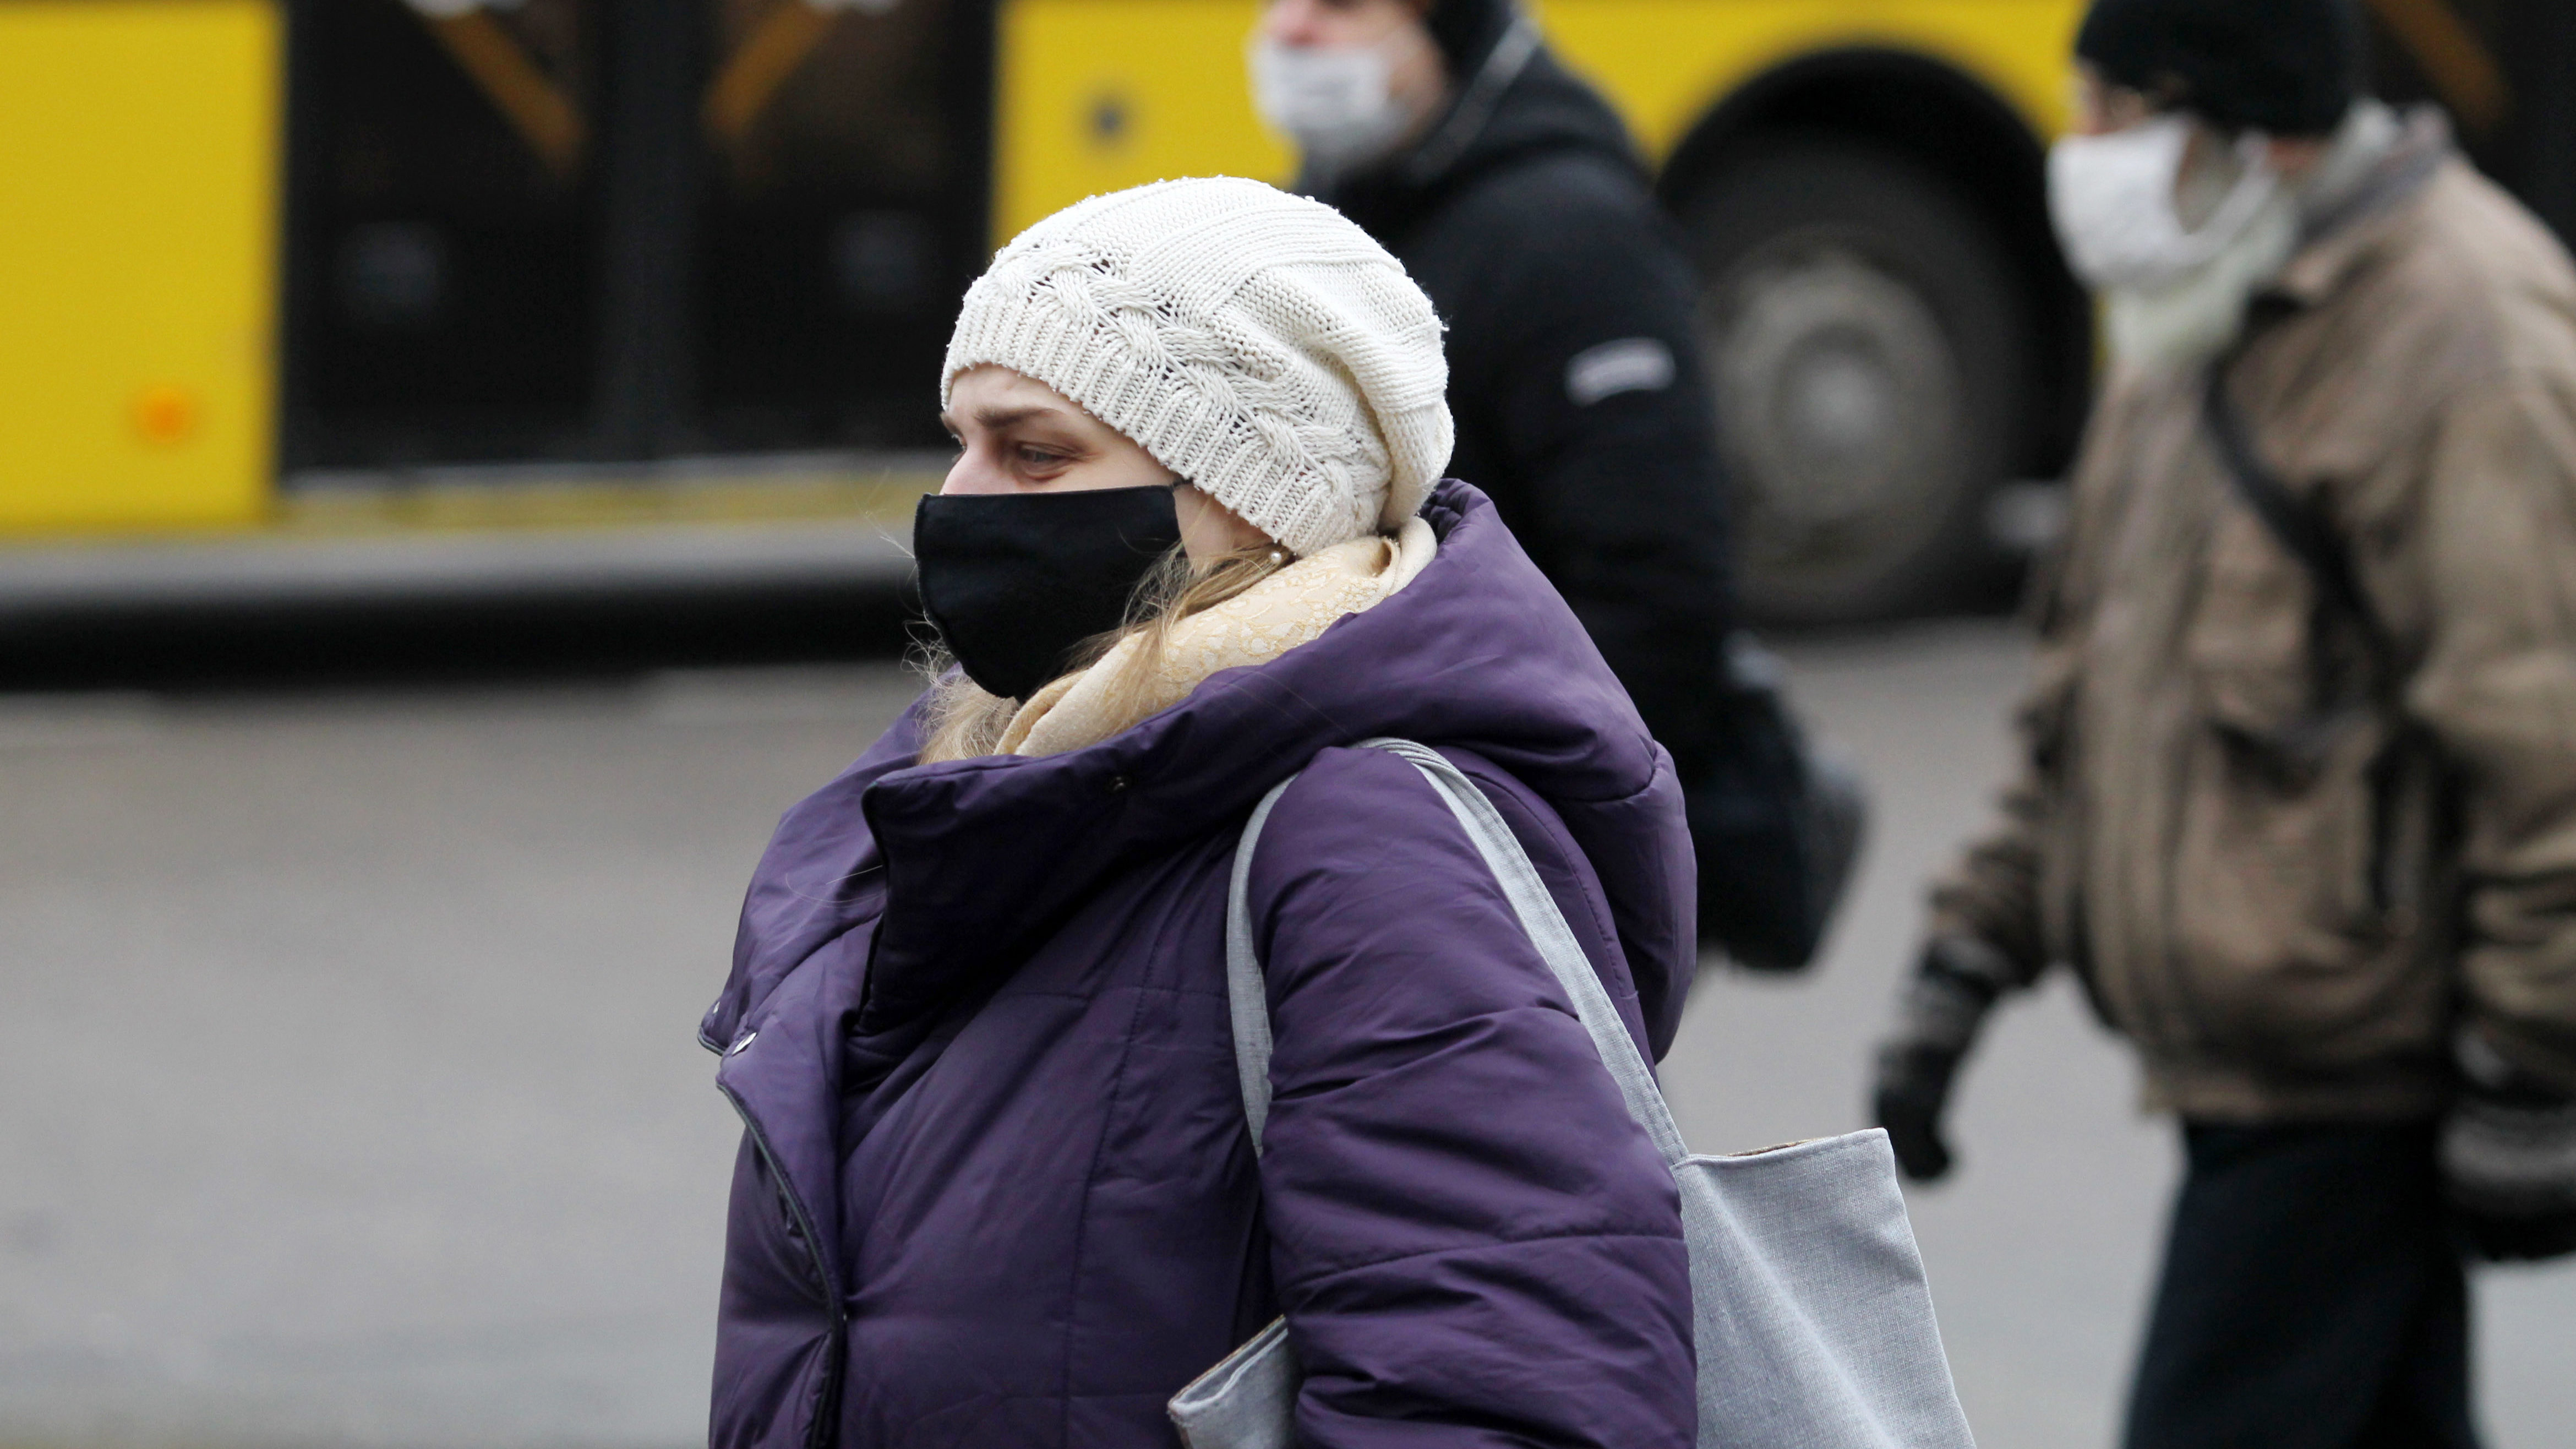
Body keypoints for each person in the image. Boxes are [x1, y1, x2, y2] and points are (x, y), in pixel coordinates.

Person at [700, 177, 1697, 1448]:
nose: (957, 499)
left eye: (1034, 449)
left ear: (1247, 497)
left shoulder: (1370, 846)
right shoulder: (1012, 784)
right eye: (960, 440)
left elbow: (1505, 1387)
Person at [1866, 2, 2576, 1446]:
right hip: (2254, 1062)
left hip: (2349, 1073)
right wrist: (1973, 949)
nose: (2084, 157)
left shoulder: (2468, 335)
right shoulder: (2204, 291)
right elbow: (2101, 689)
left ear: (2256, 129)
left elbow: (2545, 738)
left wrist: (2530, 1065)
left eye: (2116, 118)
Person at [1248, 0, 1860, 968]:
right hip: (1403, 834)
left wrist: (1513, 829)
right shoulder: (1340, 209)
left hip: (1511, 857)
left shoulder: (1569, 237)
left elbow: (1659, 597)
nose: (1289, 32)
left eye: (1341, 6)